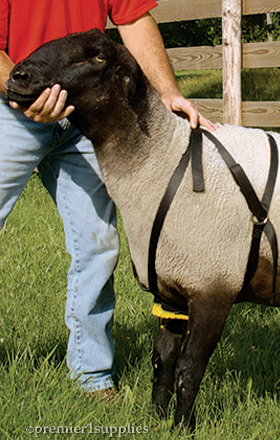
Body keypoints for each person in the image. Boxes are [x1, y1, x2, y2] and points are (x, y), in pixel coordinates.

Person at [0, 0, 216, 394]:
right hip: (13, 110)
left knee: (98, 243)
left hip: (88, 113)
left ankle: (92, 375)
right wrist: (27, 96)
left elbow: (133, 18)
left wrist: (167, 93)